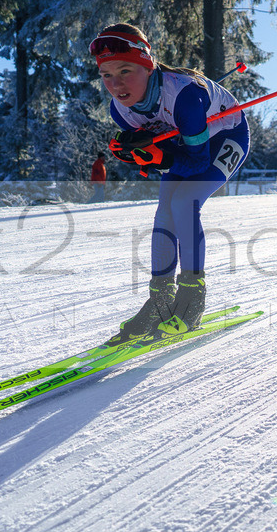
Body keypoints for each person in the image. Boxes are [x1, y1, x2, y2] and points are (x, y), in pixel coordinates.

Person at [91, 22, 250, 340]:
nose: (116, 84)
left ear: (148, 66)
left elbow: (198, 162)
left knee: (185, 201)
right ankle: (160, 299)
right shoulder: (120, 110)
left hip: (226, 137)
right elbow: (159, 151)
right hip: (185, 144)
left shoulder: (185, 96)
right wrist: (137, 153)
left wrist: (159, 157)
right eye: (106, 75)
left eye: (125, 71)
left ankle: (192, 298)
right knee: (164, 211)